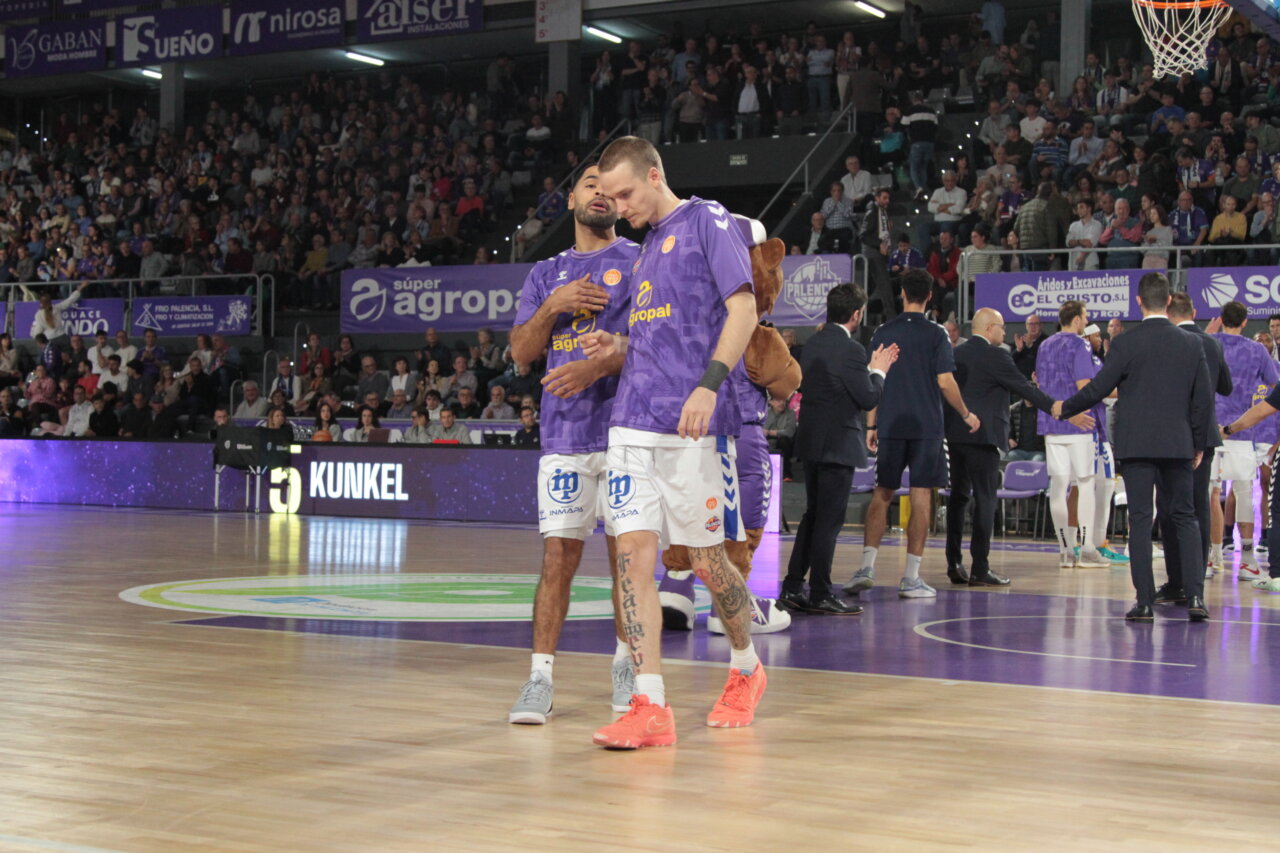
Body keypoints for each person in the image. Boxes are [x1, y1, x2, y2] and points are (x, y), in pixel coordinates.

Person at [581, 136, 764, 748]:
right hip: (633, 422)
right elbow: (655, 340)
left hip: (693, 427)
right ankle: (649, 702)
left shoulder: (707, 219)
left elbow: (744, 310)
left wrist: (710, 386)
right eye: (609, 197)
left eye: (626, 194)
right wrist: (617, 349)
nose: (618, 207)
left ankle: (746, 668)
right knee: (632, 558)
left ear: (655, 175)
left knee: (710, 562)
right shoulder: (641, 254)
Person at [505, 163, 639, 726]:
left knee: (626, 560)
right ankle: (539, 678)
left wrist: (604, 361)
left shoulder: (640, 260)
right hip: (564, 436)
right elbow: (519, 352)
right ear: (572, 201)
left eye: (611, 187)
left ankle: (628, 666)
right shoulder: (545, 273)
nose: (601, 192)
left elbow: (661, 342)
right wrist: (553, 306)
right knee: (558, 556)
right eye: (590, 183)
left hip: (629, 429)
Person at [1058, 272, 1211, 622]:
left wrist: (1063, 408)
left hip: (1137, 445)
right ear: (1169, 301)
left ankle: (1144, 602)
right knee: (1186, 518)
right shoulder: (1192, 344)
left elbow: (1097, 389)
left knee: (1141, 522)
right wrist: (1199, 443)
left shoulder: (1125, 343)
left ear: (1138, 302)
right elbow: (1202, 401)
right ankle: (1196, 598)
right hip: (1178, 443)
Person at [847, 269, 979, 600]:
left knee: (882, 493)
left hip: (891, 424)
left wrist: (872, 425)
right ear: (930, 296)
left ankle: (866, 567)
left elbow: (873, 378)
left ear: (902, 294)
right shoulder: (936, 334)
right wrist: (965, 413)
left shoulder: (882, 330)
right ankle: (910, 577)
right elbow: (946, 382)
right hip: (927, 428)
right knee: (921, 495)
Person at [948, 308, 1095, 585]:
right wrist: (1056, 408)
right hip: (985, 436)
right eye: (1002, 328)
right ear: (990, 328)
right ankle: (980, 567)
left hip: (956, 434)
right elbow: (1023, 387)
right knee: (985, 500)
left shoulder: (956, 353)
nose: (1005, 333)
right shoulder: (996, 355)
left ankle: (954, 563)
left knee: (958, 498)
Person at [781, 284, 897, 614]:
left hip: (813, 442)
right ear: (857, 314)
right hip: (837, 445)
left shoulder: (813, 343)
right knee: (828, 521)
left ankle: (792, 586)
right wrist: (878, 370)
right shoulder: (851, 350)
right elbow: (868, 397)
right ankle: (819, 591)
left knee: (812, 517)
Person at [1158, 294, 1231, 599]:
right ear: (1194, 312)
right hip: (1203, 436)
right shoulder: (1211, 343)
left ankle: (1175, 582)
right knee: (1198, 508)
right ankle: (1195, 585)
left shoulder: (1165, 341)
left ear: (1168, 312)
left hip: (1168, 437)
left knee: (1169, 509)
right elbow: (1226, 387)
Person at [1035, 301, 1112, 569]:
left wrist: (1059, 413)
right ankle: (1087, 548)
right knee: (1085, 483)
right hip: (1079, 424)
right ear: (1078, 320)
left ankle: (1065, 550)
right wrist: (1075, 413)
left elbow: (1040, 384)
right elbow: (1084, 386)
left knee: (1058, 486)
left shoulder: (1044, 345)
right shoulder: (1081, 345)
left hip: (1051, 422)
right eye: (1085, 317)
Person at [1207, 301, 1277, 580]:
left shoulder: (1208, 343)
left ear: (1221, 319)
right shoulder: (1257, 350)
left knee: (1210, 493)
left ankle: (1213, 558)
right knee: (1244, 491)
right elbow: (1275, 385)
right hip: (1241, 429)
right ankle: (1247, 559)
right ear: (1246, 322)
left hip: (1211, 430)